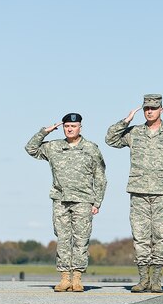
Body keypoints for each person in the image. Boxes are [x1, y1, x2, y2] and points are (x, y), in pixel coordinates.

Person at [105, 94, 163, 293]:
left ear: (162, 109)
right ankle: (143, 279)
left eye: (153, 107)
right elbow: (110, 139)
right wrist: (126, 120)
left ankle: (157, 280)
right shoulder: (134, 132)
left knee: (161, 236)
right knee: (140, 237)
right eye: (146, 108)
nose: (149, 111)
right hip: (139, 193)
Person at [25, 113, 106, 292]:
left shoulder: (91, 148)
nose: (70, 129)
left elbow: (100, 177)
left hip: (83, 200)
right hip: (60, 199)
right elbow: (31, 148)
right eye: (67, 126)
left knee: (81, 240)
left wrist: (97, 202)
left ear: (80, 128)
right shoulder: (54, 147)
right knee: (62, 239)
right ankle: (64, 278)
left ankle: (77, 278)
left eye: (73, 126)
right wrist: (44, 132)